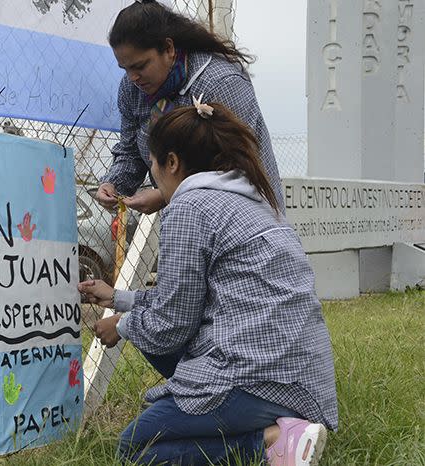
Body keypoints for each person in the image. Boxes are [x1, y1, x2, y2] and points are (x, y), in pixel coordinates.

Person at [78, 101, 337, 465]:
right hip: (304, 379)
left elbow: (172, 324)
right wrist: (119, 299)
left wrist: (122, 325)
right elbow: (182, 300)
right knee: (149, 336)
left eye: (152, 164)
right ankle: (270, 425)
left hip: (258, 377)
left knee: (134, 449)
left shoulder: (190, 207)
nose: (152, 175)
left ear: (172, 162)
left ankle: (273, 442)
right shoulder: (251, 199)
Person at [97, 0, 284, 215]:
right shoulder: (132, 89)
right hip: (188, 216)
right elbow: (131, 151)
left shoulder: (221, 82)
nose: (133, 77)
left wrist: (164, 194)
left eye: (140, 66)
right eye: (125, 68)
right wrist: (113, 184)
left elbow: (238, 168)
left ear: (168, 49)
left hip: (247, 217)